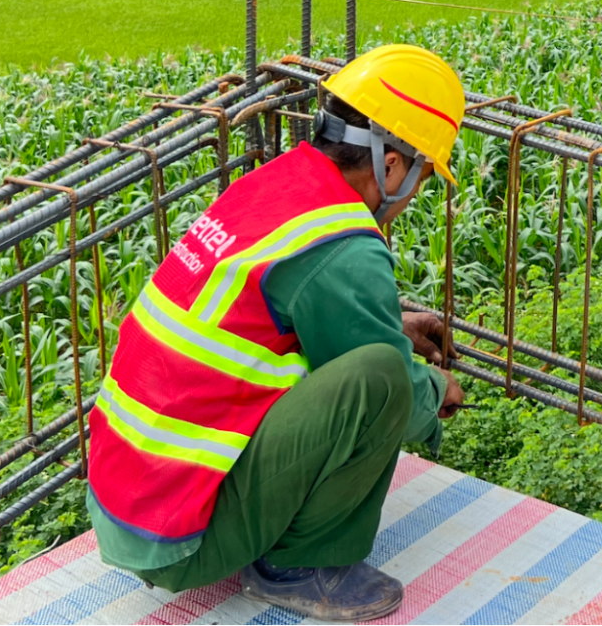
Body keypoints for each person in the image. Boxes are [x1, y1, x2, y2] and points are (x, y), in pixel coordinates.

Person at [85, 44, 468, 622]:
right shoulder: (344, 246)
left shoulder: (275, 187)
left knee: (373, 361)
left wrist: (389, 323)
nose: (414, 194)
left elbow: (270, 320)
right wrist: (436, 390)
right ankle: (296, 566)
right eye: (421, 175)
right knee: (384, 377)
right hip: (180, 536)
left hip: (132, 497)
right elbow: (391, 386)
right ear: (392, 164)